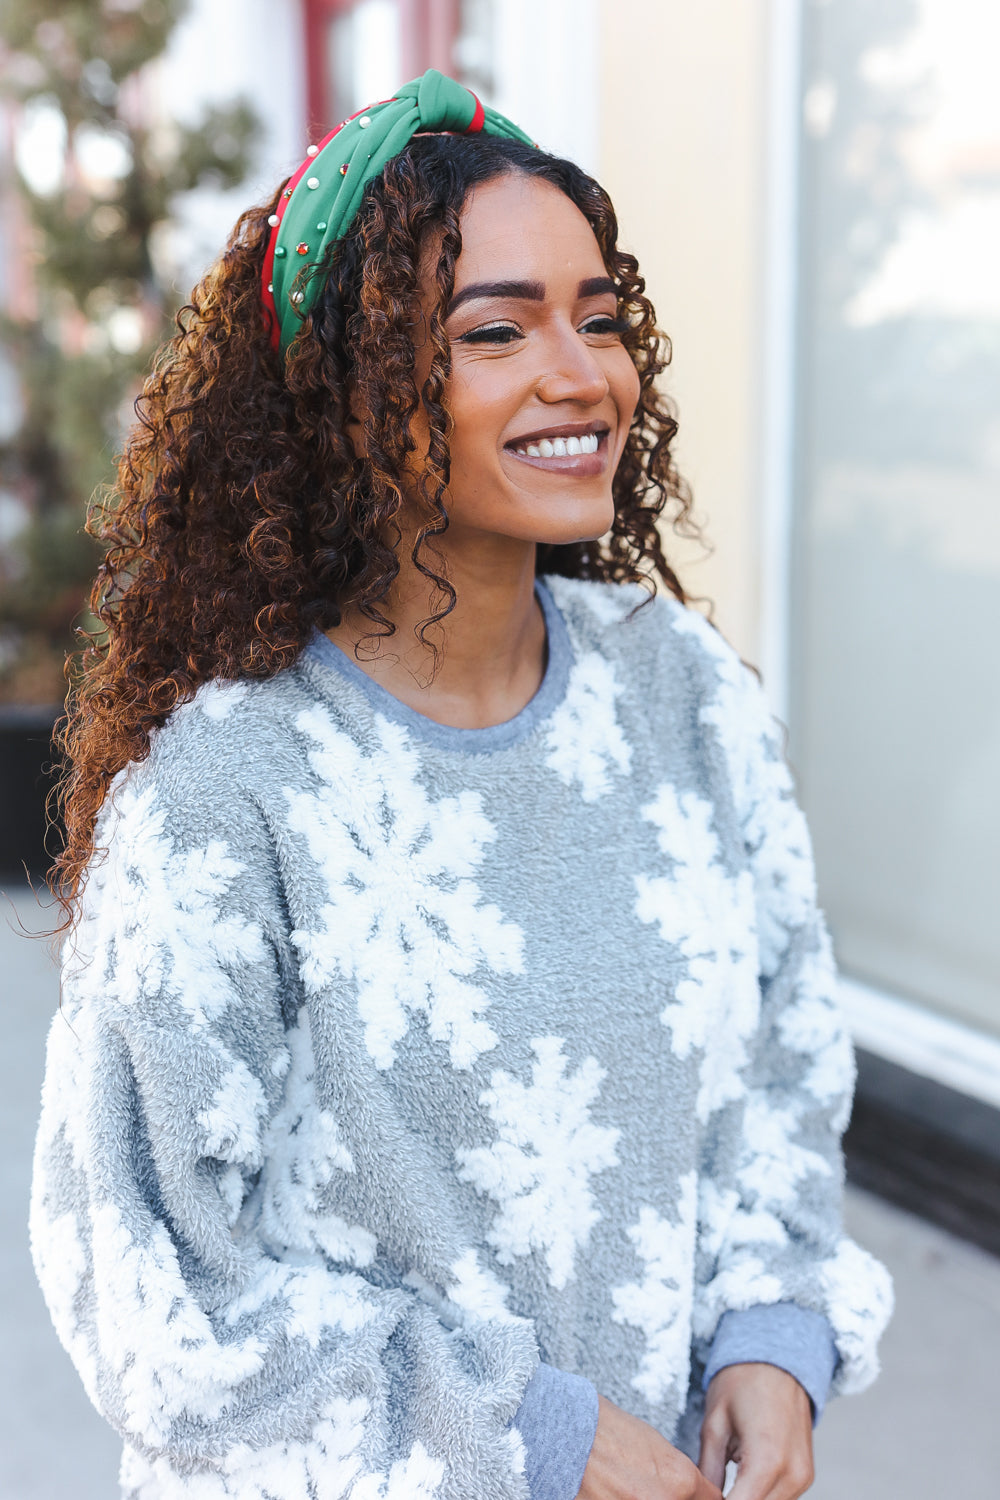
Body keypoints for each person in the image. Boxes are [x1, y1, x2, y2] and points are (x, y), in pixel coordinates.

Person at [30, 70, 892, 1500]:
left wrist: (769, 1326)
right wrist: (517, 1429)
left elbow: (782, 1058)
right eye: (496, 330)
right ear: (354, 390)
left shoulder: (679, 693)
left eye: (599, 316)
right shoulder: (226, 791)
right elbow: (151, 1284)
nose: (581, 374)